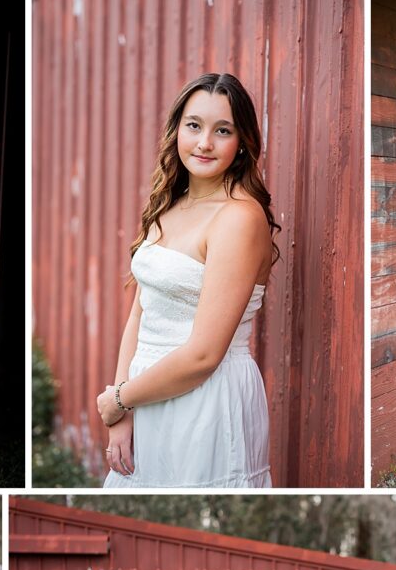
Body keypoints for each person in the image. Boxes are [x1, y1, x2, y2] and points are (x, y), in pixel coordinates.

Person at [97, 72, 279, 488]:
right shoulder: (169, 206)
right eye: (194, 126)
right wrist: (121, 410)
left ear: (242, 142)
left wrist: (119, 400)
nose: (204, 143)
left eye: (223, 131)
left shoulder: (239, 218)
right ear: (177, 128)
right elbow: (141, 314)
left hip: (206, 401)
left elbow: (203, 355)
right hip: (145, 393)